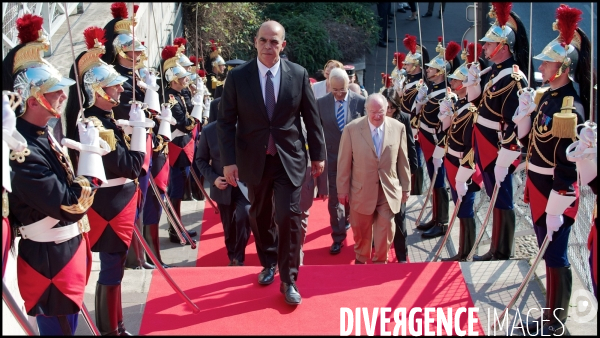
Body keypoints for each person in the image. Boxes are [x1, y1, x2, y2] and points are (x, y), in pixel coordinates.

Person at [3, 14, 104, 335]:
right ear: (33, 98)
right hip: (49, 259)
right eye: (55, 90)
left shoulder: (41, 132)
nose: (63, 95)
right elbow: (71, 205)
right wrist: (91, 160)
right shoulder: (22, 150)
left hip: (64, 250)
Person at [217, 20, 326, 306]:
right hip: (253, 160)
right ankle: (268, 262)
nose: (268, 46)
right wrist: (228, 162)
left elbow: (311, 119)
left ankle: (289, 280)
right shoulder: (238, 77)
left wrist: (318, 155)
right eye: (263, 40)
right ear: (255, 42)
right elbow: (225, 123)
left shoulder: (298, 75)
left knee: (289, 217)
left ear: (283, 45)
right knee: (260, 215)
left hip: (288, 159)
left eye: (274, 42)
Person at [64, 24, 149, 336]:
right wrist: (139, 132)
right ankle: (110, 330)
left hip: (114, 201)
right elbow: (131, 167)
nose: (120, 90)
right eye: (113, 87)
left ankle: (118, 324)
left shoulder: (104, 120)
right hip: (110, 204)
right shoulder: (98, 124)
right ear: (98, 91)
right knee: (112, 270)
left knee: (115, 269)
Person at [515, 5, 592, 335]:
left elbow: (566, 162)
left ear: (561, 67)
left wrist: (558, 202)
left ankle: (556, 318)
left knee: (556, 254)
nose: (541, 67)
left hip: (555, 192)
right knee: (547, 252)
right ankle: (550, 313)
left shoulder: (568, 105)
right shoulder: (547, 96)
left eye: (545, 63)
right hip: (537, 185)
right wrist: (523, 115)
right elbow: (532, 142)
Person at [461, 2, 530, 261]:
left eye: (489, 44)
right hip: (486, 142)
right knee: (495, 195)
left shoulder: (513, 78)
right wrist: (474, 84)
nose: (485, 48)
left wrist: (507, 155)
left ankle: (502, 250)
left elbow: (514, 122)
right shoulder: (495, 72)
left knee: (502, 197)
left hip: (498, 147)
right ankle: (496, 248)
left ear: (502, 46)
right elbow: (479, 105)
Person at [101, 3, 156, 271]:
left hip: (141, 141)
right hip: (126, 145)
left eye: (138, 51)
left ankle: (139, 255)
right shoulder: (116, 78)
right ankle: (136, 256)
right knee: (133, 203)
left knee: (141, 201)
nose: (136, 55)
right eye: (132, 51)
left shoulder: (133, 75)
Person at [337, 93, 411, 264]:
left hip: (388, 190)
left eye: (382, 112)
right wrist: (342, 190)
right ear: (366, 110)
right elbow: (343, 163)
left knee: (385, 231)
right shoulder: (352, 129)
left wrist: (406, 187)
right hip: (361, 191)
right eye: (373, 112)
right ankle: (361, 260)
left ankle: (380, 263)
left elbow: (403, 160)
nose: (378, 116)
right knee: (362, 234)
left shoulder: (398, 127)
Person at [195, 59, 250, 267]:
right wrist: (213, 179)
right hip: (223, 185)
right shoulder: (210, 132)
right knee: (229, 227)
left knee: (244, 216)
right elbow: (200, 160)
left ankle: (239, 255)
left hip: (246, 184)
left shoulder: (248, 129)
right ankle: (233, 255)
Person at [439, 41, 484, 261]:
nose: (453, 81)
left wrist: (465, 172)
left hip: (463, 167)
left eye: (457, 79)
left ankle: (466, 252)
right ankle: (463, 251)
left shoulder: (472, 111)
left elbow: (471, 146)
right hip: (453, 163)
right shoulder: (462, 106)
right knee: (461, 210)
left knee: (466, 210)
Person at [414, 39, 461, 238]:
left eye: (432, 69)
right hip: (427, 140)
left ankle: (441, 222)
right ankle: (435, 217)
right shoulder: (433, 90)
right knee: (434, 182)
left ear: (440, 73)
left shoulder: (446, 95)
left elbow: (443, 124)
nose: (428, 71)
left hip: (437, 143)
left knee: (439, 181)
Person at [316, 67, 366, 255]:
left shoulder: (360, 103)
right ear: (329, 86)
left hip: (356, 161)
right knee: (335, 202)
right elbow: (316, 133)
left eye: (342, 90)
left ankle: (360, 236)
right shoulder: (321, 104)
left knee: (357, 199)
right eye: (334, 90)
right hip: (332, 160)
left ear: (349, 84)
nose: (338, 94)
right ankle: (338, 237)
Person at [161, 45, 199, 244]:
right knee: (175, 192)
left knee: (179, 190)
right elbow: (185, 124)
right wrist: (193, 119)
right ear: (175, 80)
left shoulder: (179, 95)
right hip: (177, 146)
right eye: (183, 78)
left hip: (183, 146)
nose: (186, 80)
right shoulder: (171, 97)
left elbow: (189, 114)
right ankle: (175, 229)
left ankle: (178, 227)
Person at [382, 88, 416, 263]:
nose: (388, 111)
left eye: (391, 107)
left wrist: (411, 173)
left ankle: (402, 255)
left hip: (397, 174)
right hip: (379, 174)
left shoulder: (404, 119)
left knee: (400, 215)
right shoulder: (374, 118)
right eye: (385, 107)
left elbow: (410, 147)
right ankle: (378, 247)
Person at [398, 34, 429, 196]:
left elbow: (416, 108)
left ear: (416, 65)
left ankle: (416, 188)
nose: (406, 66)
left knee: (414, 154)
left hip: (413, 123)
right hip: (404, 121)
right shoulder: (408, 79)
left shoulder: (420, 84)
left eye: (409, 64)